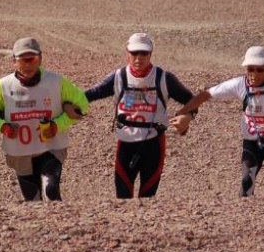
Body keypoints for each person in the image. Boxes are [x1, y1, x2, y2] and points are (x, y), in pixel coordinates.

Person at [175, 46, 264, 197]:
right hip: (252, 142)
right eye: (250, 69)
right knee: (246, 184)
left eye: (259, 69)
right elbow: (206, 95)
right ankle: (247, 217)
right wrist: (181, 113)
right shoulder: (240, 85)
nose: (254, 74)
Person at [83, 33, 196, 199]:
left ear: (151, 54)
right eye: (134, 53)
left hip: (154, 144)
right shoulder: (118, 77)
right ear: (127, 53)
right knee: (122, 199)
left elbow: (192, 101)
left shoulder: (163, 78)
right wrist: (67, 103)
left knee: (147, 200)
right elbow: (90, 94)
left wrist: (188, 117)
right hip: (126, 144)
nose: (139, 58)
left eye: (144, 53)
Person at [0, 37, 89, 202]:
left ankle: (61, 225)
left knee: (51, 192)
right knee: (32, 200)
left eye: (32, 59)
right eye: (23, 60)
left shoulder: (56, 82)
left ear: (40, 59)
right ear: (13, 62)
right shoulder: (3, 86)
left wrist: (57, 124)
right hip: (19, 152)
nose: (28, 64)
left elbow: (82, 105)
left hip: (51, 147)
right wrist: (2, 127)